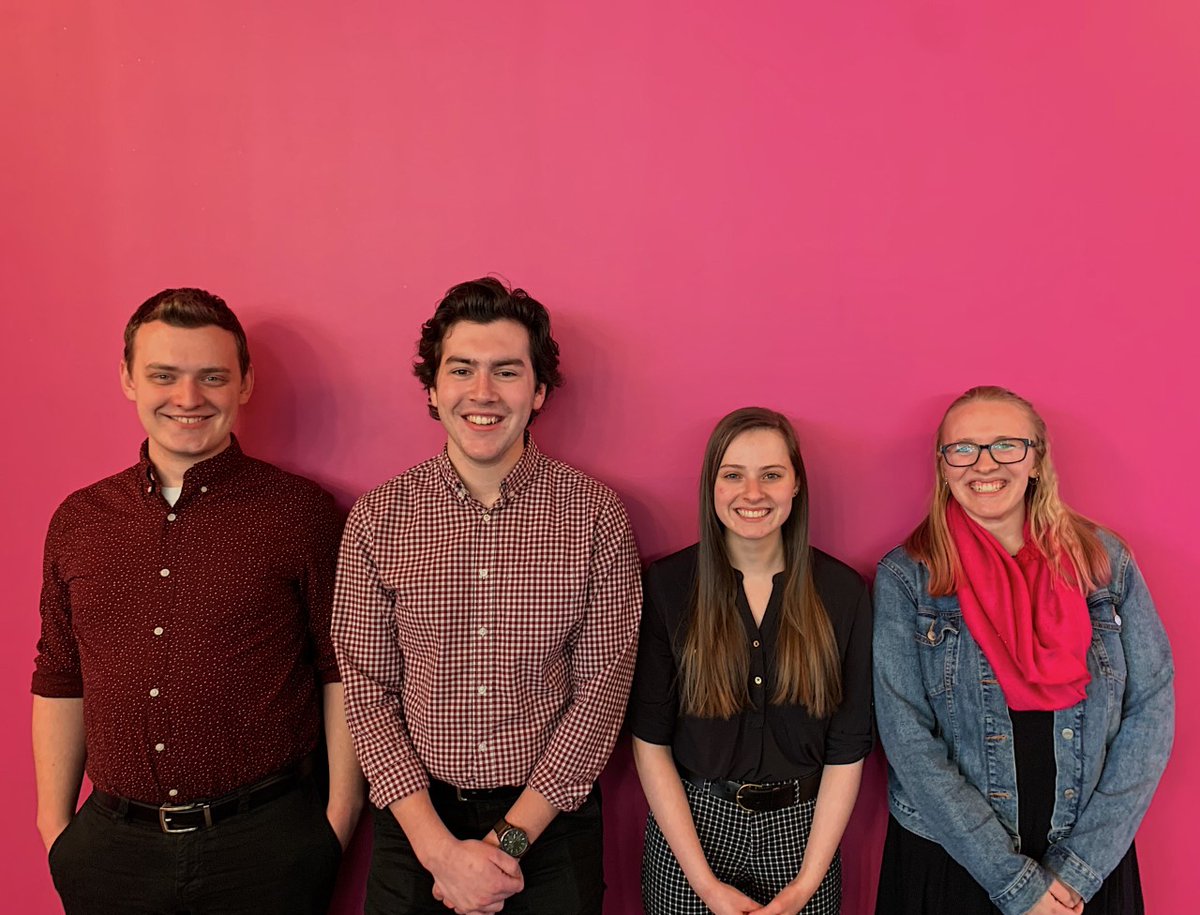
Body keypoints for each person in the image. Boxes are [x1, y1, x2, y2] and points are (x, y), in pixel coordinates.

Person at [32, 288, 364, 914]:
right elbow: (59, 674)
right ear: (129, 379)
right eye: (164, 376)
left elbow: (341, 669)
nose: (188, 399)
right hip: (109, 852)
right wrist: (56, 830)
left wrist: (337, 820)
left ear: (245, 383)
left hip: (267, 847)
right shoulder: (80, 520)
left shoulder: (301, 513)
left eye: (212, 377)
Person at [332, 277, 642, 915]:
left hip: (550, 823)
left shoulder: (595, 516)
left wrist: (509, 840)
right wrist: (440, 852)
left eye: (506, 371)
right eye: (461, 369)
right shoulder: (377, 519)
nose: (482, 393)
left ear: (539, 390)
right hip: (415, 821)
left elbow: (601, 695)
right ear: (433, 388)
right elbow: (367, 688)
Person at [873, 385, 1174, 915]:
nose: (984, 464)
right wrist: (1012, 882)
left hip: (1083, 866)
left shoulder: (1104, 562)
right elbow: (905, 737)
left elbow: (1152, 709)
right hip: (953, 858)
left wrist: (1081, 867)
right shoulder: (908, 576)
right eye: (962, 449)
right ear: (943, 466)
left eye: (1006, 445)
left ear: (1036, 459)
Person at [629, 406, 873, 915]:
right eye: (733, 475)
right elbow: (650, 741)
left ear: (796, 485)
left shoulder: (843, 592)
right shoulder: (669, 586)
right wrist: (705, 884)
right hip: (693, 831)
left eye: (772, 475)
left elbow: (847, 749)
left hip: (804, 834)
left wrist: (807, 884)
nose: (753, 493)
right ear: (711, 486)